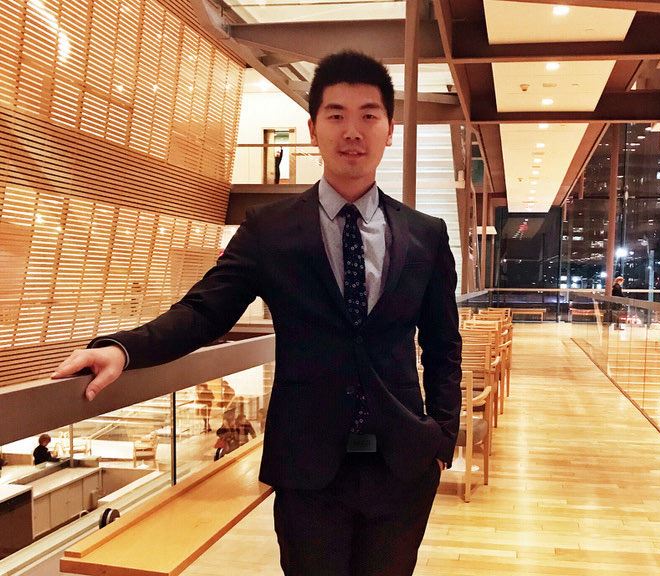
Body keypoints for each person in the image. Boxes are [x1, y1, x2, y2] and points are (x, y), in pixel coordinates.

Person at [52, 50, 462, 576]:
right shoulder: (269, 230)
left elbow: (443, 344)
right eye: (336, 115)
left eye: (368, 115)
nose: (352, 131)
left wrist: (442, 436)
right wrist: (124, 349)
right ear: (313, 130)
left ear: (389, 131)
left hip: (402, 464)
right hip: (308, 466)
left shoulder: (425, 234)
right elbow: (204, 311)